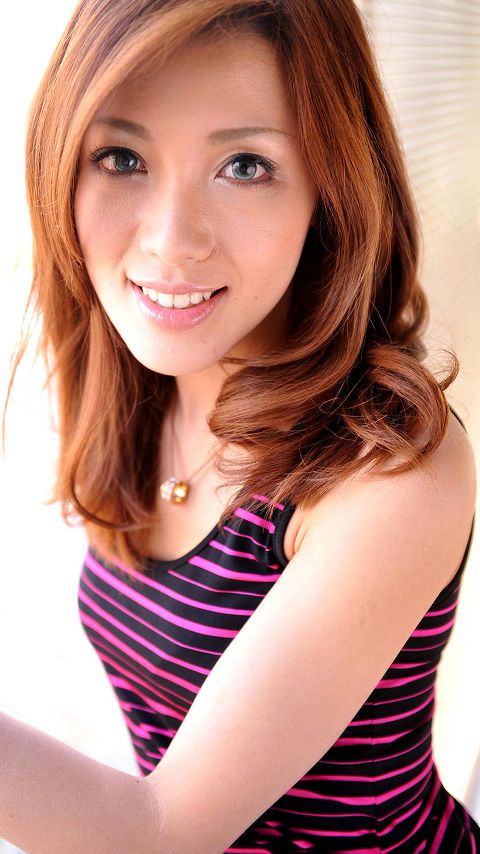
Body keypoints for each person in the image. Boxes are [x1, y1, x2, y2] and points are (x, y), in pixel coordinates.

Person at [1, 0, 478, 851]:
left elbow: (164, 831)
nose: (171, 242)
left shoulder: (390, 469)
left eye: (245, 165)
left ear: (331, 187)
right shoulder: (151, 380)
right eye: (122, 157)